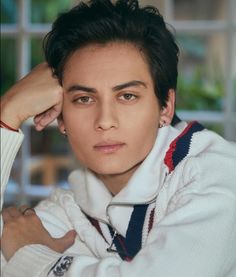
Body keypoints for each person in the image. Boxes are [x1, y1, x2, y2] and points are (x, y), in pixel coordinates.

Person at [1, 0, 236, 276]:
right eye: (84, 99)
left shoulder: (217, 173)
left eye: (127, 96)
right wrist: (7, 114)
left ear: (165, 106)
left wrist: (32, 258)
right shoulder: (72, 207)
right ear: (61, 118)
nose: (105, 121)